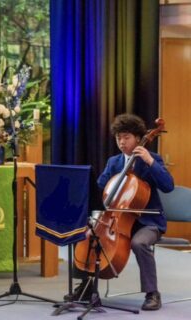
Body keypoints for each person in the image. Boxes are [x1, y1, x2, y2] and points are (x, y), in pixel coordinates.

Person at [68, 114, 174, 311]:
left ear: (138, 138)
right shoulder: (114, 162)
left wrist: (150, 161)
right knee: (85, 235)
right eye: (118, 138)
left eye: (126, 137)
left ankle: (152, 293)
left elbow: (168, 186)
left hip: (147, 222)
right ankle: (85, 286)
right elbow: (99, 187)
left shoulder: (152, 160)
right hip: (115, 222)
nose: (122, 142)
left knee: (139, 243)